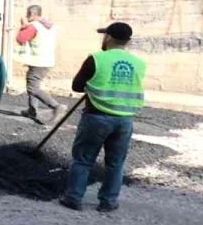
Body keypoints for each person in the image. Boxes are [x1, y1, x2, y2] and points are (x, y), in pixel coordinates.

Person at [60, 22, 147, 213]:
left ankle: (73, 198)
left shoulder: (96, 59)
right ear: (127, 41)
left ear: (108, 37)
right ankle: (108, 202)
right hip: (125, 120)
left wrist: (91, 86)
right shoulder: (139, 63)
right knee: (116, 163)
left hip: (97, 117)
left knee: (83, 159)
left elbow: (76, 86)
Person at [15, 4, 65, 124]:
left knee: (32, 88)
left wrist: (23, 26)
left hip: (38, 62)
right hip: (46, 60)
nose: (27, 16)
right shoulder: (48, 25)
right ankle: (32, 111)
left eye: (28, 14)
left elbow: (20, 39)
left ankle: (56, 106)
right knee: (34, 85)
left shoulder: (34, 26)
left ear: (32, 14)